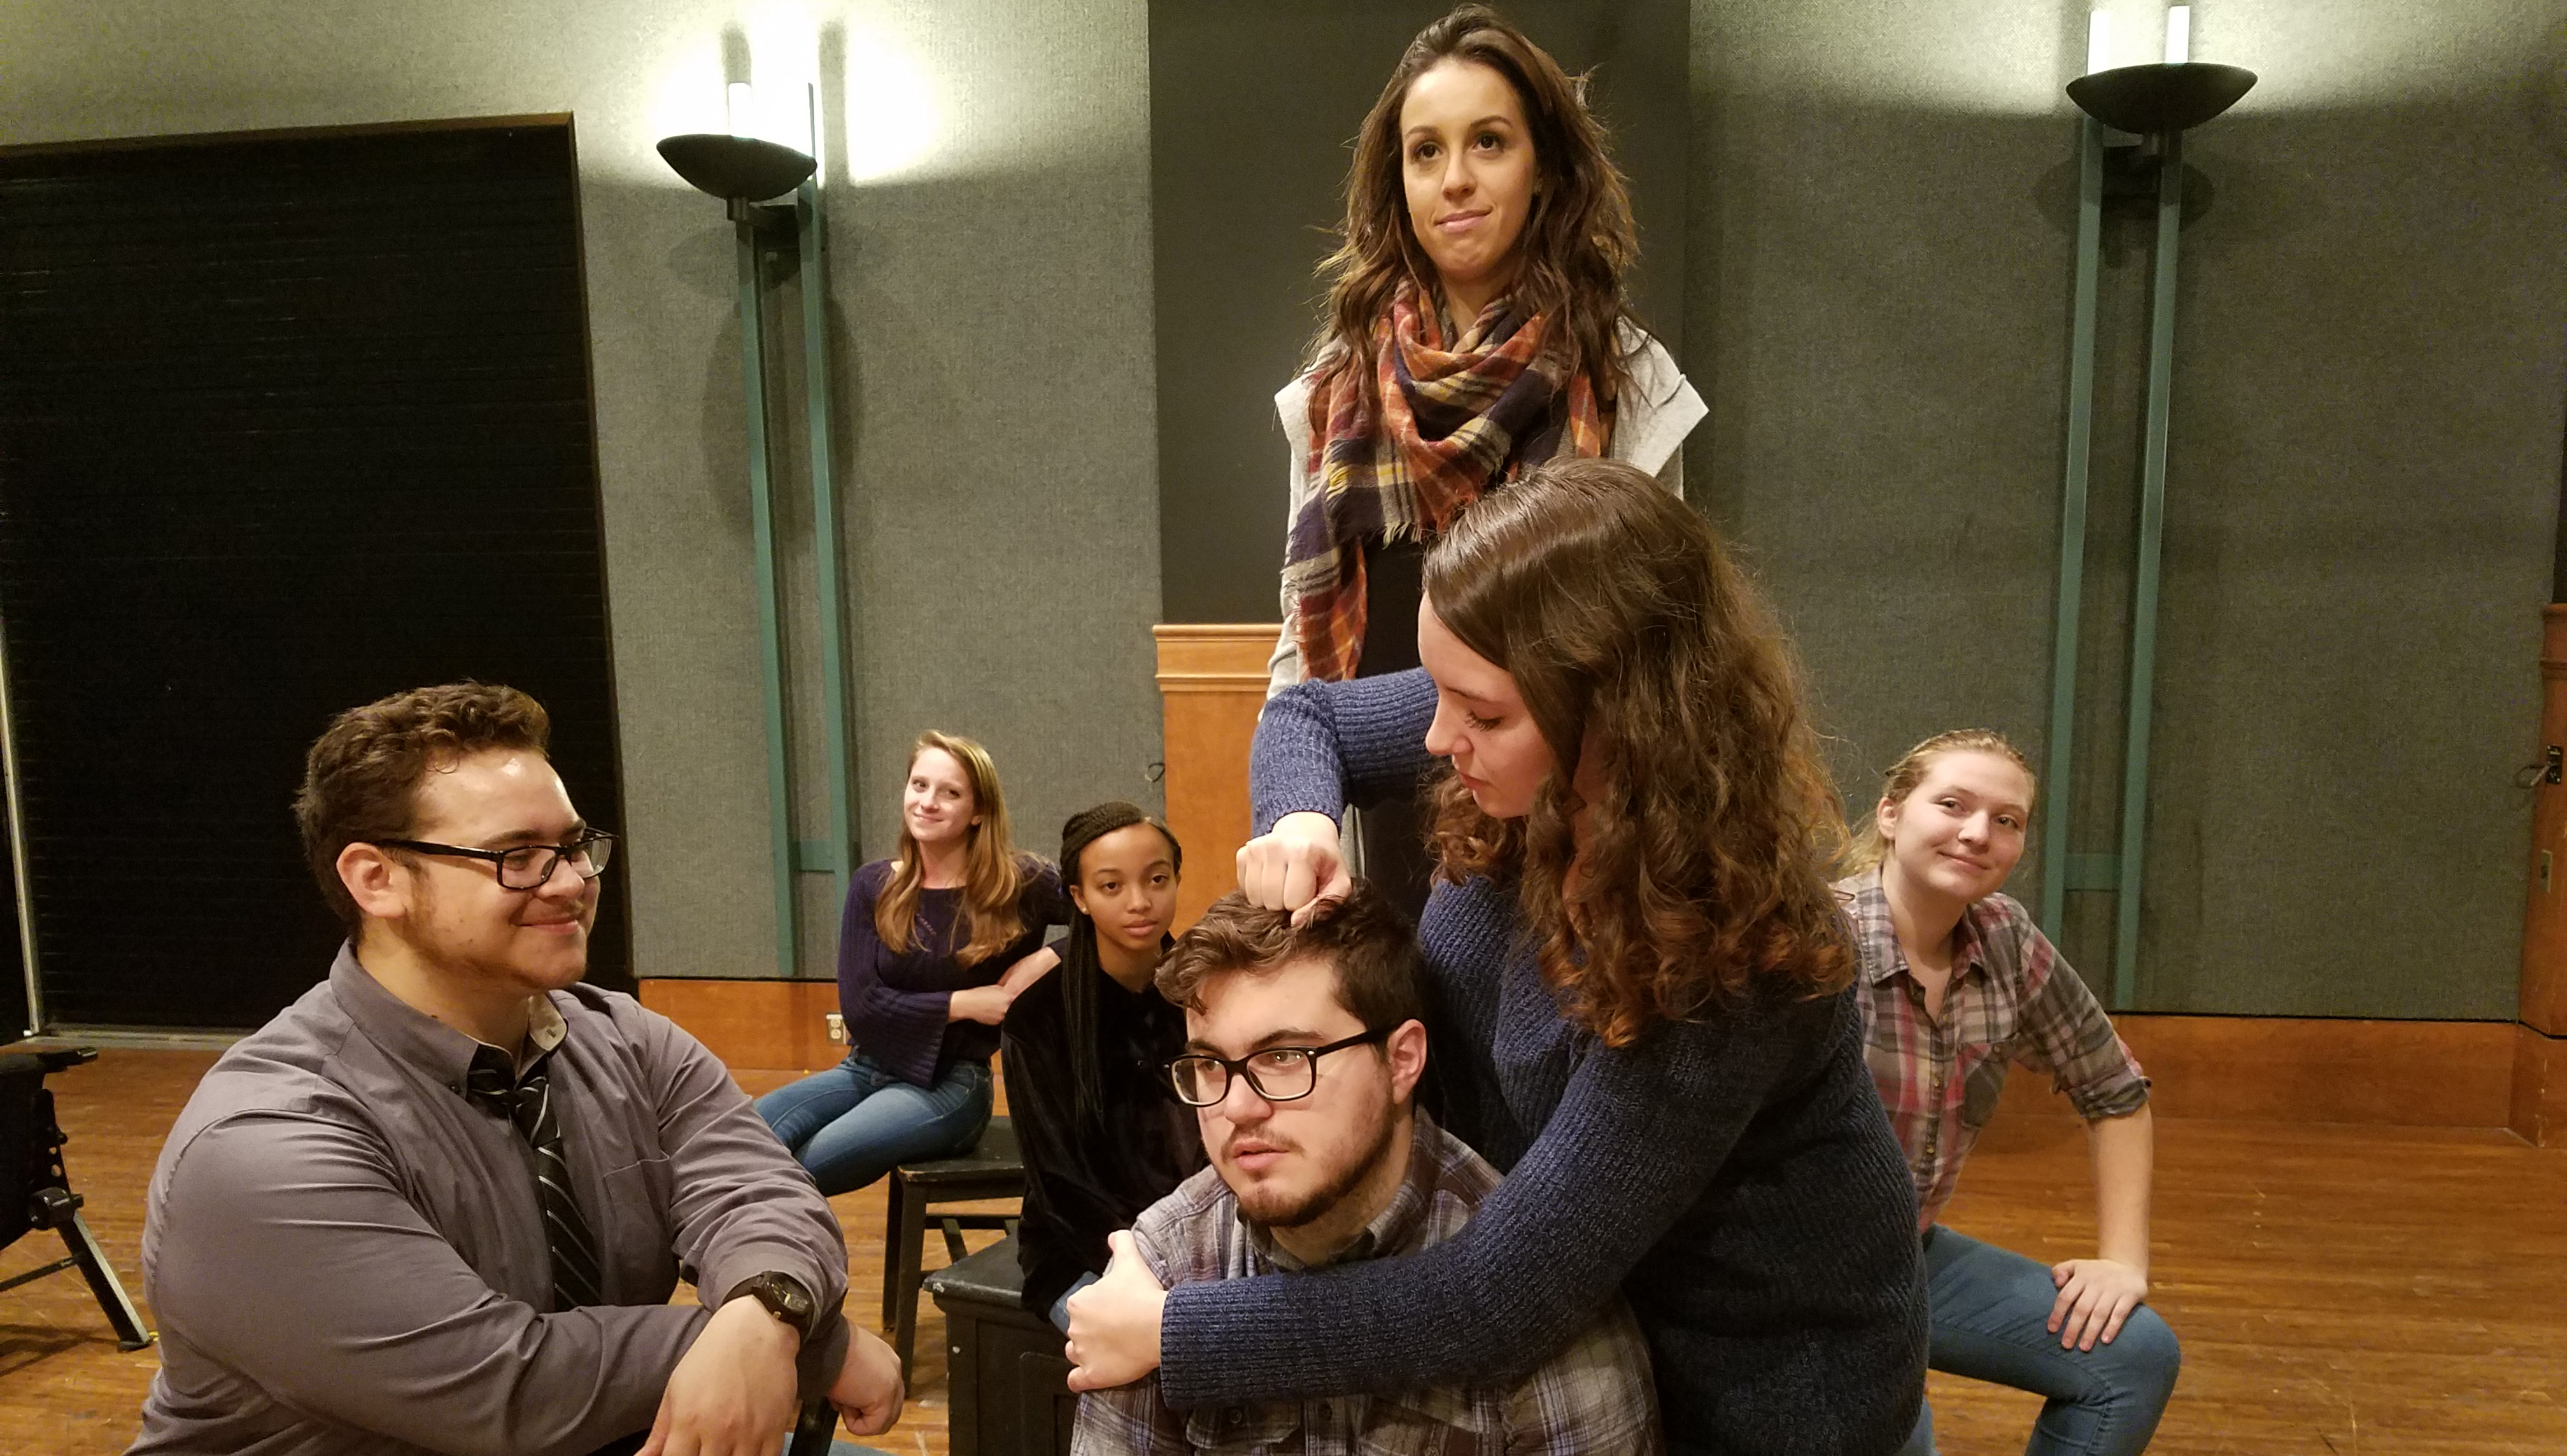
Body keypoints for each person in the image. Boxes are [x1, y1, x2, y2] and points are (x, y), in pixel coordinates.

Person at [1068, 459, 1927, 1455]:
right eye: (1440, 692)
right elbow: (1310, 715)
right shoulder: (1519, 758)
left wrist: (1179, 1333)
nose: (1440, 737)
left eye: (1481, 714)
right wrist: (1301, 816)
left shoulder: (1727, 963)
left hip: (1763, 1388)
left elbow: (1497, 1293)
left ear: (1621, 716)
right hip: (1600, 1310)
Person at [129, 682, 903, 1456]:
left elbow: (760, 1189)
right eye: (516, 857)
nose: (571, 882)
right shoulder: (264, 1143)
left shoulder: (626, 1039)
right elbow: (509, 1387)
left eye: (571, 846)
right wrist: (817, 1348)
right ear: (376, 879)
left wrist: (768, 1307)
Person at [1264, 3, 1709, 918]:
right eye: (1426, 152)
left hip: (1559, 832)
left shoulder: (1627, 378)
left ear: (1544, 168)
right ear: (1398, 182)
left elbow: (1644, 653)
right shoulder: (1334, 392)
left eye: (1490, 143)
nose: (1456, 180)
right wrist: (1294, 806)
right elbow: (1298, 646)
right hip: (1383, 808)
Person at [1075, 885, 1661, 1455]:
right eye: (1208, 1064)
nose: (1236, 1108)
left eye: (1283, 1058)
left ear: (1402, 1060)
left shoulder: (1538, 1293)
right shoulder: (1160, 1270)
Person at [1841, 731, 2179, 1456]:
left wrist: (2123, 1260)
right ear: (1892, 813)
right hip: (1793, 1276)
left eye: (2007, 820)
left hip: (1910, 1254)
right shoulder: (1813, 939)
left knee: (2134, 1355)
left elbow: (2115, 1089)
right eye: (1953, 804)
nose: (1977, 833)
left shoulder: (2006, 940)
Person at [755, 731, 1066, 1195]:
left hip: (953, 1084)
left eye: (950, 792)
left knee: (806, 1165)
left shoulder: (1021, 881)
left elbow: (1107, 919)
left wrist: (1042, 960)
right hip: (863, 1068)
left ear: (979, 811)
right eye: (919, 785)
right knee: (745, 1138)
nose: (928, 802)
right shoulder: (874, 884)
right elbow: (862, 1006)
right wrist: (962, 1003)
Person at [1001, 802, 1205, 1331]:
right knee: (1161, 1347)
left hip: (1208, 1244)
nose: (1140, 902)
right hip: (1084, 1253)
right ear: (1079, 898)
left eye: (1157, 879)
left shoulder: (1211, 997)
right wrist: (1146, 1265)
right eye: (1111, 886)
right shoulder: (1036, 1017)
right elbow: (1059, 1184)